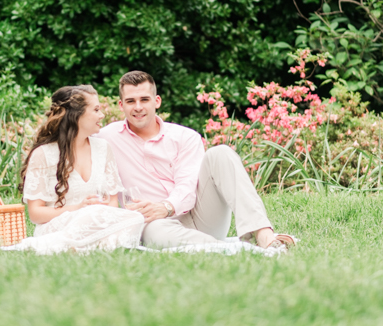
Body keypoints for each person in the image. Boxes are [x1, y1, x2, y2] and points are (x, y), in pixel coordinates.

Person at [96, 71, 295, 250]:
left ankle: (263, 234)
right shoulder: (106, 138)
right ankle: (234, 249)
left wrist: (166, 207)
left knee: (221, 153)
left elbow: (188, 185)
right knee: (153, 232)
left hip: (200, 217)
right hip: (156, 225)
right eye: (131, 101)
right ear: (121, 105)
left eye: (144, 100)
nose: (138, 107)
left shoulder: (185, 137)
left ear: (157, 101)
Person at [17, 84, 144, 254]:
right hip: (59, 226)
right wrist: (78, 208)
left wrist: (102, 209)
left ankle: (85, 247)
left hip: (96, 222)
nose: (102, 115)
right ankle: (72, 245)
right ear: (76, 115)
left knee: (136, 218)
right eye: (96, 110)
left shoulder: (103, 148)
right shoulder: (43, 154)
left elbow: (113, 202)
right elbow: (35, 214)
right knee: (90, 215)